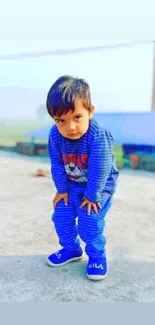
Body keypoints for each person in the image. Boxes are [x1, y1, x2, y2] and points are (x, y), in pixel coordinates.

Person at [46, 75, 119, 281]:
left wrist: (93, 195)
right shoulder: (55, 135)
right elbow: (57, 164)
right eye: (61, 120)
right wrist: (61, 190)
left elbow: (100, 169)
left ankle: (97, 256)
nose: (70, 127)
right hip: (71, 183)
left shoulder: (97, 136)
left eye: (77, 117)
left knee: (89, 220)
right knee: (61, 216)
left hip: (99, 185)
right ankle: (72, 250)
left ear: (90, 111)